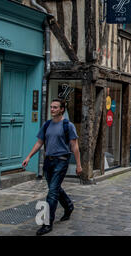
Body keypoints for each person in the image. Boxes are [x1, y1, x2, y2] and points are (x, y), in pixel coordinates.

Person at [22, 98, 82, 236]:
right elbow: (39, 143)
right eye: (51, 107)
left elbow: (74, 146)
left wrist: (78, 165)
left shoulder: (68, 125)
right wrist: (28, 157)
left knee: (52, 192)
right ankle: (68, 206)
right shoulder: (47, 124)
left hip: (61, 161)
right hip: (48, 162)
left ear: (62, 109)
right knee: (54, 189)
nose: (52, 109)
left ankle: (47, 224)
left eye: (55, 107)